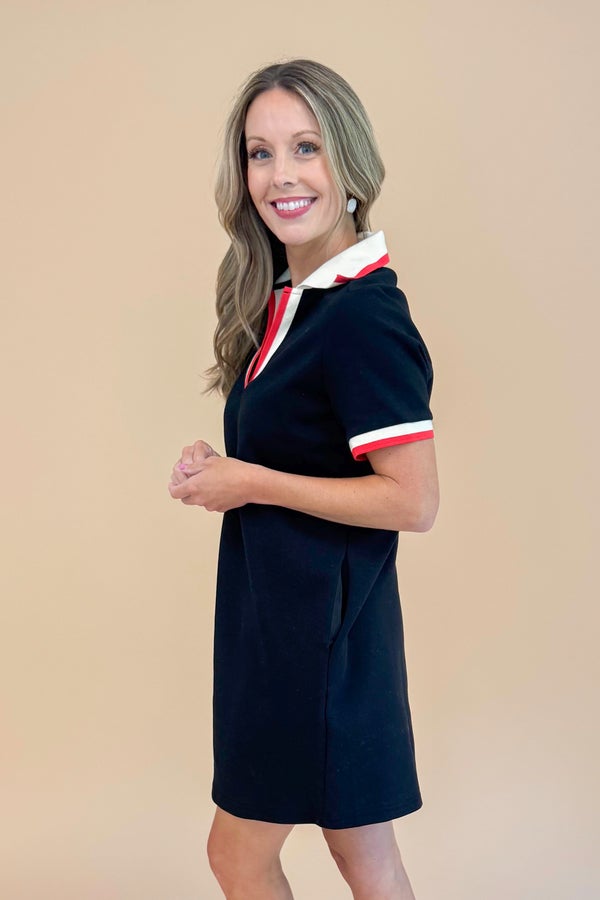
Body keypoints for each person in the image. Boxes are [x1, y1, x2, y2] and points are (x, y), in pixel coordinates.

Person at [168, 58, 439, 900]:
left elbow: (413, 499)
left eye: (305, 148)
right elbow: (301, 453)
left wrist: (253, 483)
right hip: (305, 629)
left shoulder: (360, 314)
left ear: (347, 165)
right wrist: (223, 469)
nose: (280, 175)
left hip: (311, 647)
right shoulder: (294, 301)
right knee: (368, 860)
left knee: (237, 854)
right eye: (259, 153)